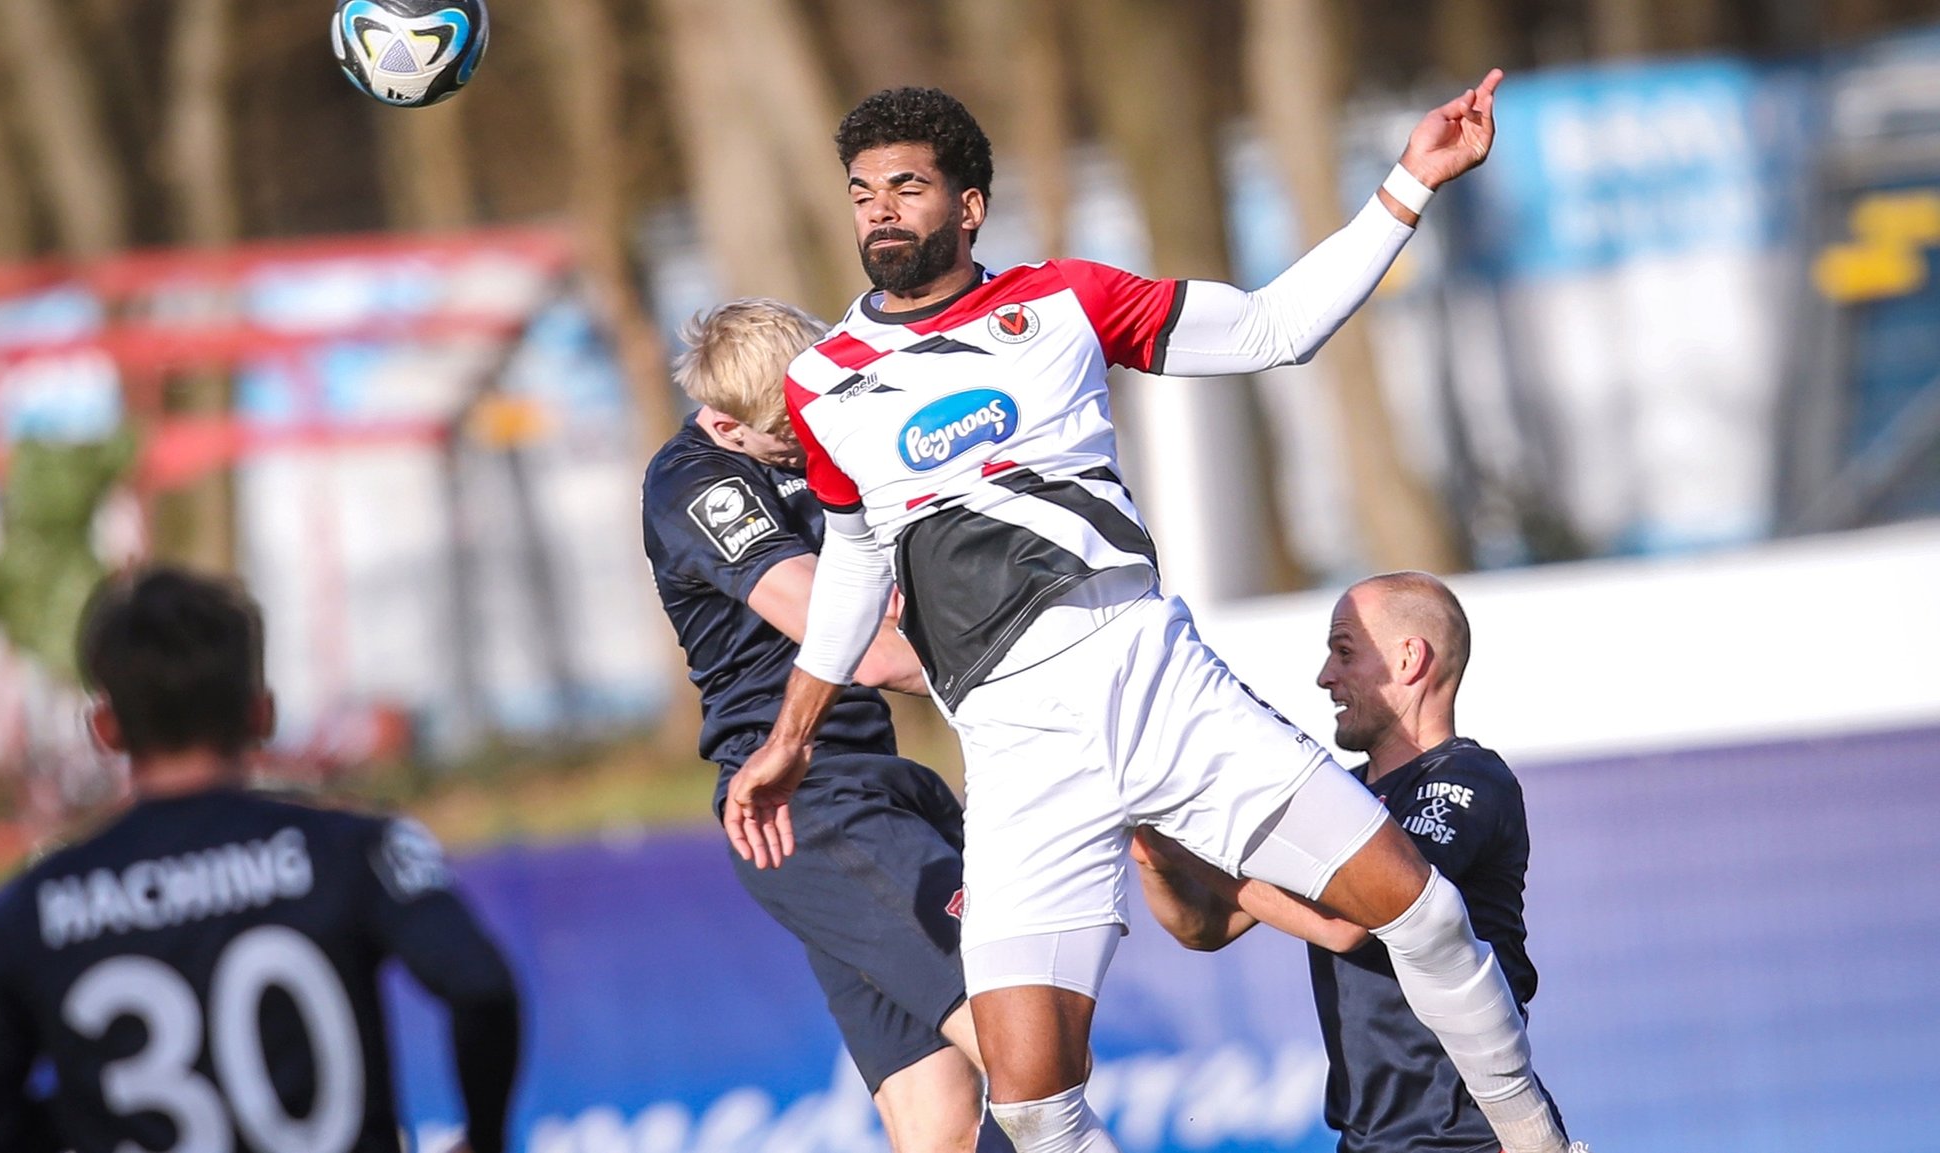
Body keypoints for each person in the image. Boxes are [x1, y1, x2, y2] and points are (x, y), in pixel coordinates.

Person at [726, 79, 1581, 1153]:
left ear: (969, 204)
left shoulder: (1064, 302)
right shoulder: (822, 384)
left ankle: (1537, 1141)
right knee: (1032, 1107)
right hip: (1012, 741)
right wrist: (788, 738)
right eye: (862, 193)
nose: (881, 211)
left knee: (1423, 913)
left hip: (1141, 672)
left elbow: (1275, 326)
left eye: (907, 186)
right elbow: (852, 560)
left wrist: (1411, 179)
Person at [0, 567, 520, 1153]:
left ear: (105, 729)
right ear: (262, 713)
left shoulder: (36, 910)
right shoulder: (354, 850)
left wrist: (95, 1109)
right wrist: (485, 1139)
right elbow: (482, 987)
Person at [641, 298, 998, 1153]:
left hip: (879, 788)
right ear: (727, 425)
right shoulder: (697, 484)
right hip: (813, 808)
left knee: (941, 1124)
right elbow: (863, 648)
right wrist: (1030, 684)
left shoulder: (831, 421)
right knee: (1030, 1047)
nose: (812, 441)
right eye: (787, 436)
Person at [1131, 572, 1567, 1153]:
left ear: (1410, 659)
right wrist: (1153, 849)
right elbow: (1204, 926)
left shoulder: (1467, 777)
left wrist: (1195, 849)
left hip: (1468, 1139)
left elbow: (1349, 924)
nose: (1324, 676)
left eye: (1344, 651)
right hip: (1367, 1142)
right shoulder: (1346, 803)